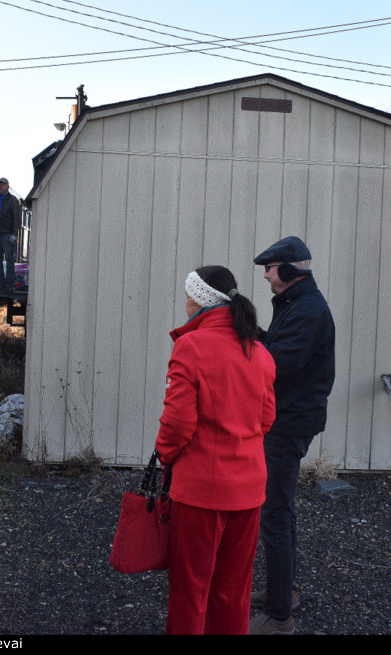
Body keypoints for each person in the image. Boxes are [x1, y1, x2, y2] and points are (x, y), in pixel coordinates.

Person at [155, 266, 276, 635]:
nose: (185, 301)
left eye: (188, 294)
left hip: (199, 494)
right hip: (249, 491)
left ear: (200, 300)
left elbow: (177, 424)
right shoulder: (259, 352)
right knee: (233, 593)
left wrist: (166, 455)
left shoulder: (191, 347)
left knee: (191, 592)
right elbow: (266, 420)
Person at [249, 236, 336, 636]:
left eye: (270, 268)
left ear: (286, 271)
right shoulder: (296, 305)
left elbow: (276, 365)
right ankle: (283, 593)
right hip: (287, 419)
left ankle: (280, 616)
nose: (266, 275)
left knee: (275, 515)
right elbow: (276, 350)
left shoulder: (307, 310)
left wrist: (246, 340)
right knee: (280, 511)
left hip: (287, 424)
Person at [0, 177, 21, 291]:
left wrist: (14, 233)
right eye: (0, 185)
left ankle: (10, 285)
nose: (1, 187)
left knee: (9, 259)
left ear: (8, 186)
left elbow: (16, 218)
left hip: (7, 233)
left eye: (3, 185)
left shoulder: (13, 200)